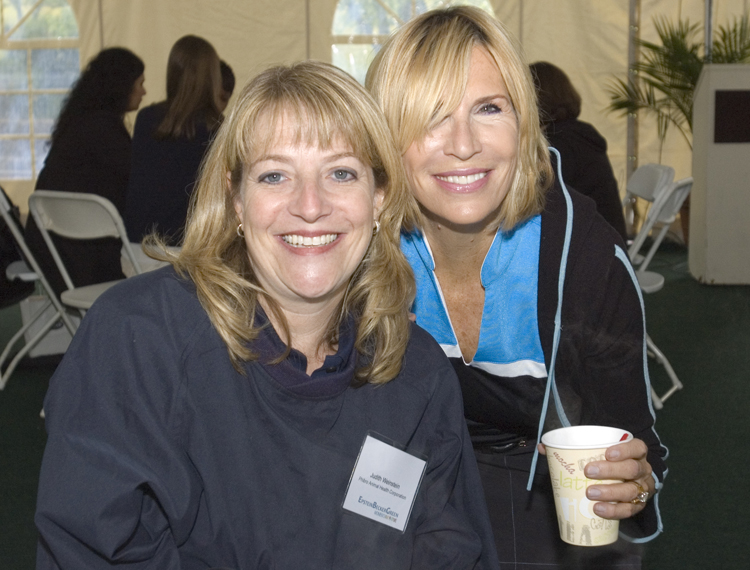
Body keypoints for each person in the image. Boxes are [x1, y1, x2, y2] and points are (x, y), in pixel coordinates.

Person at [35, 60, 498, 569]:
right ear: (236, 199)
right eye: (275, 175)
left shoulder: (414, 372)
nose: (310, 205)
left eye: (341, 173)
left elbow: (450, 546)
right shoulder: (140, 342)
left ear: (379, 199)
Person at [366, 7, 667, 569]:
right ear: (385, 138)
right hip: (411, 466)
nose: (463, 144)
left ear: (523, 124)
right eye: (430, 116)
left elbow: (636, 447)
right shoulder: (363, 250)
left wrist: (636, 486)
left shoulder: (585, 263)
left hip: (545, 482)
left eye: (488, 108)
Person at [24, 47, 145, 298]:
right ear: (122, 87)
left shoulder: (76, 126)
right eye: (140, 84)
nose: (143, 92)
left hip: (50, 251)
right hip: (84, 260)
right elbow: (133, 191)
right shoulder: (108, 133)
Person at [124, 35, 223, 246]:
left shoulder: (146, 119)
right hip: (187, 250)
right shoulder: (217, 129)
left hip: (137, 247)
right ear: (213, 78)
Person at [530, 61, 628, 241]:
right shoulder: (577, 134)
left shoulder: (560, 146)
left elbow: (537, 199)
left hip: (594, 247)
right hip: (606, 238)